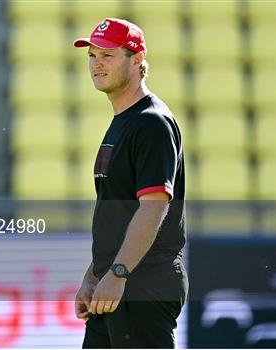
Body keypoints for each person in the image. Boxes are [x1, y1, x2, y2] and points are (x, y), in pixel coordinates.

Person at [72, 18, 188, 348]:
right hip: (116, 284)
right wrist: (94, 275)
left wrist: (118, 273)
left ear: (137, 61)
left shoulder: (151, 122)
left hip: (141, 285)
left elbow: (153, 209)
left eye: (107, 55)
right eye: (92, 56)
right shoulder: (125, 121)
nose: (96, 64)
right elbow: (120, 213)